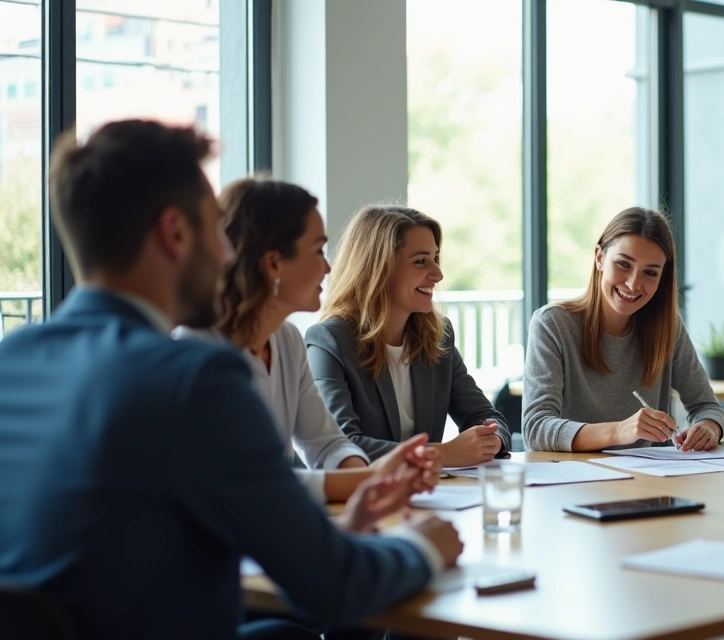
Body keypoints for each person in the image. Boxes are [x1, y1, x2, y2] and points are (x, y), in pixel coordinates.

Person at [0, 120, 462, 639]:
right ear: (175, 233)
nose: (226, 255)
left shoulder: (11, 360)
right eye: (215, 231)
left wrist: (339, 535)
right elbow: (337, 588)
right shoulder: (193, 380)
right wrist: (427, 544)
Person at [176, 177, 436, 503]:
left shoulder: (286, 340)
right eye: (318, 251)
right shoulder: (197, 348)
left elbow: (326, 442)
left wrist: (367, 481)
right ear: (273, 263)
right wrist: (372, 480)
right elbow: (244, 479)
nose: (328, 267)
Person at [305, 205, 510, 466]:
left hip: (428, 495)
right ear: (378, 268)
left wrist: (492, 437)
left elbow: (485, 415)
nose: (438, 274)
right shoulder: (329, 341)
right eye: (420, 261)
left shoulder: (439, 336)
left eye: (436, 258)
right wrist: (442, 454)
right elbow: (341, 445)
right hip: (356, 499)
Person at [523, 207, 724, 452]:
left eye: (650, 273)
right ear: (599, 257)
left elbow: (708, 407)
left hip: (647, 484)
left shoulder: (667, 328)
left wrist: (708, 428)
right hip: (573, 485)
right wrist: (619, 431)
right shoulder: (552, 324)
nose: (633, 283)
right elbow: (535, 428)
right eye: (623, 264)